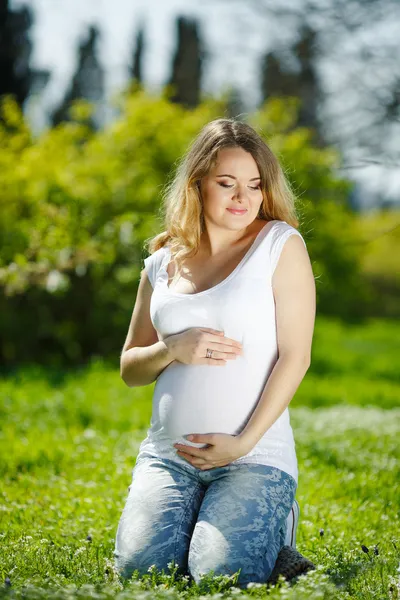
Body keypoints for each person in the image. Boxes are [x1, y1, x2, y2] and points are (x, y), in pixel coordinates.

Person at [114, 118, 316, 589]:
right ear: (197, 183)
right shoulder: (162, 260)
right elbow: (129, 369)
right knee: (141, 575)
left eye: (254, 185)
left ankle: (276, 525)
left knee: (222, 577)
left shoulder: (280, 246)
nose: (242, 198)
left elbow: (296, 356)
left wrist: (242, 443)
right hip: (169, 456)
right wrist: (170, 349)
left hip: (253, 456)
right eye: (227, 184)